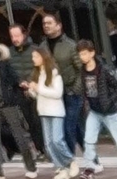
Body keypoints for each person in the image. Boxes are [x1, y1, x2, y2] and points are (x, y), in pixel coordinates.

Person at [0, 26, 45, 178]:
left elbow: (13, 78)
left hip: (8, 103)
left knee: (19, 137)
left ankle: (31, 167)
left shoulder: (1, 61)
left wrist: (23, 84)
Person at [76, 42, 117, 179]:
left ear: (92, 53)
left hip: (109, 112)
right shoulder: (82, 70)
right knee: (88, 140)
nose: (82, 57)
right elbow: (85, 90)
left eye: (84, 53)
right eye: (80, 54)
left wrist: (110, 103)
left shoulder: (103, 70)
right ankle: (89, 169)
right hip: (94, 111)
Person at [40, 10, 85, 158]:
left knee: (67, 128)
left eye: (49, 23)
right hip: (54, 96)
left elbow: (81, 68)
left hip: (71, 92)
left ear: (59, 26)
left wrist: (76, 89)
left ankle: (68, 161)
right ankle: (93, 159)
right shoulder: (43, 46)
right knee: (75, 128)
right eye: (44, 23)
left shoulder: (71, 45)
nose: (46, 26)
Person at [28, 48, 75, 178]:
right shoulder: (38, 74)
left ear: (43, 57)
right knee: (48, 144)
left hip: (55, 111)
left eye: (36, 56)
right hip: (43, 111)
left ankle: (70, 161)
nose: (33, 59)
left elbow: (57, 93)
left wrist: (39, 88)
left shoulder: (55, 74)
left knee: (57, 140)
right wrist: (32, 90)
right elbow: (39, 95)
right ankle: (60, 167)